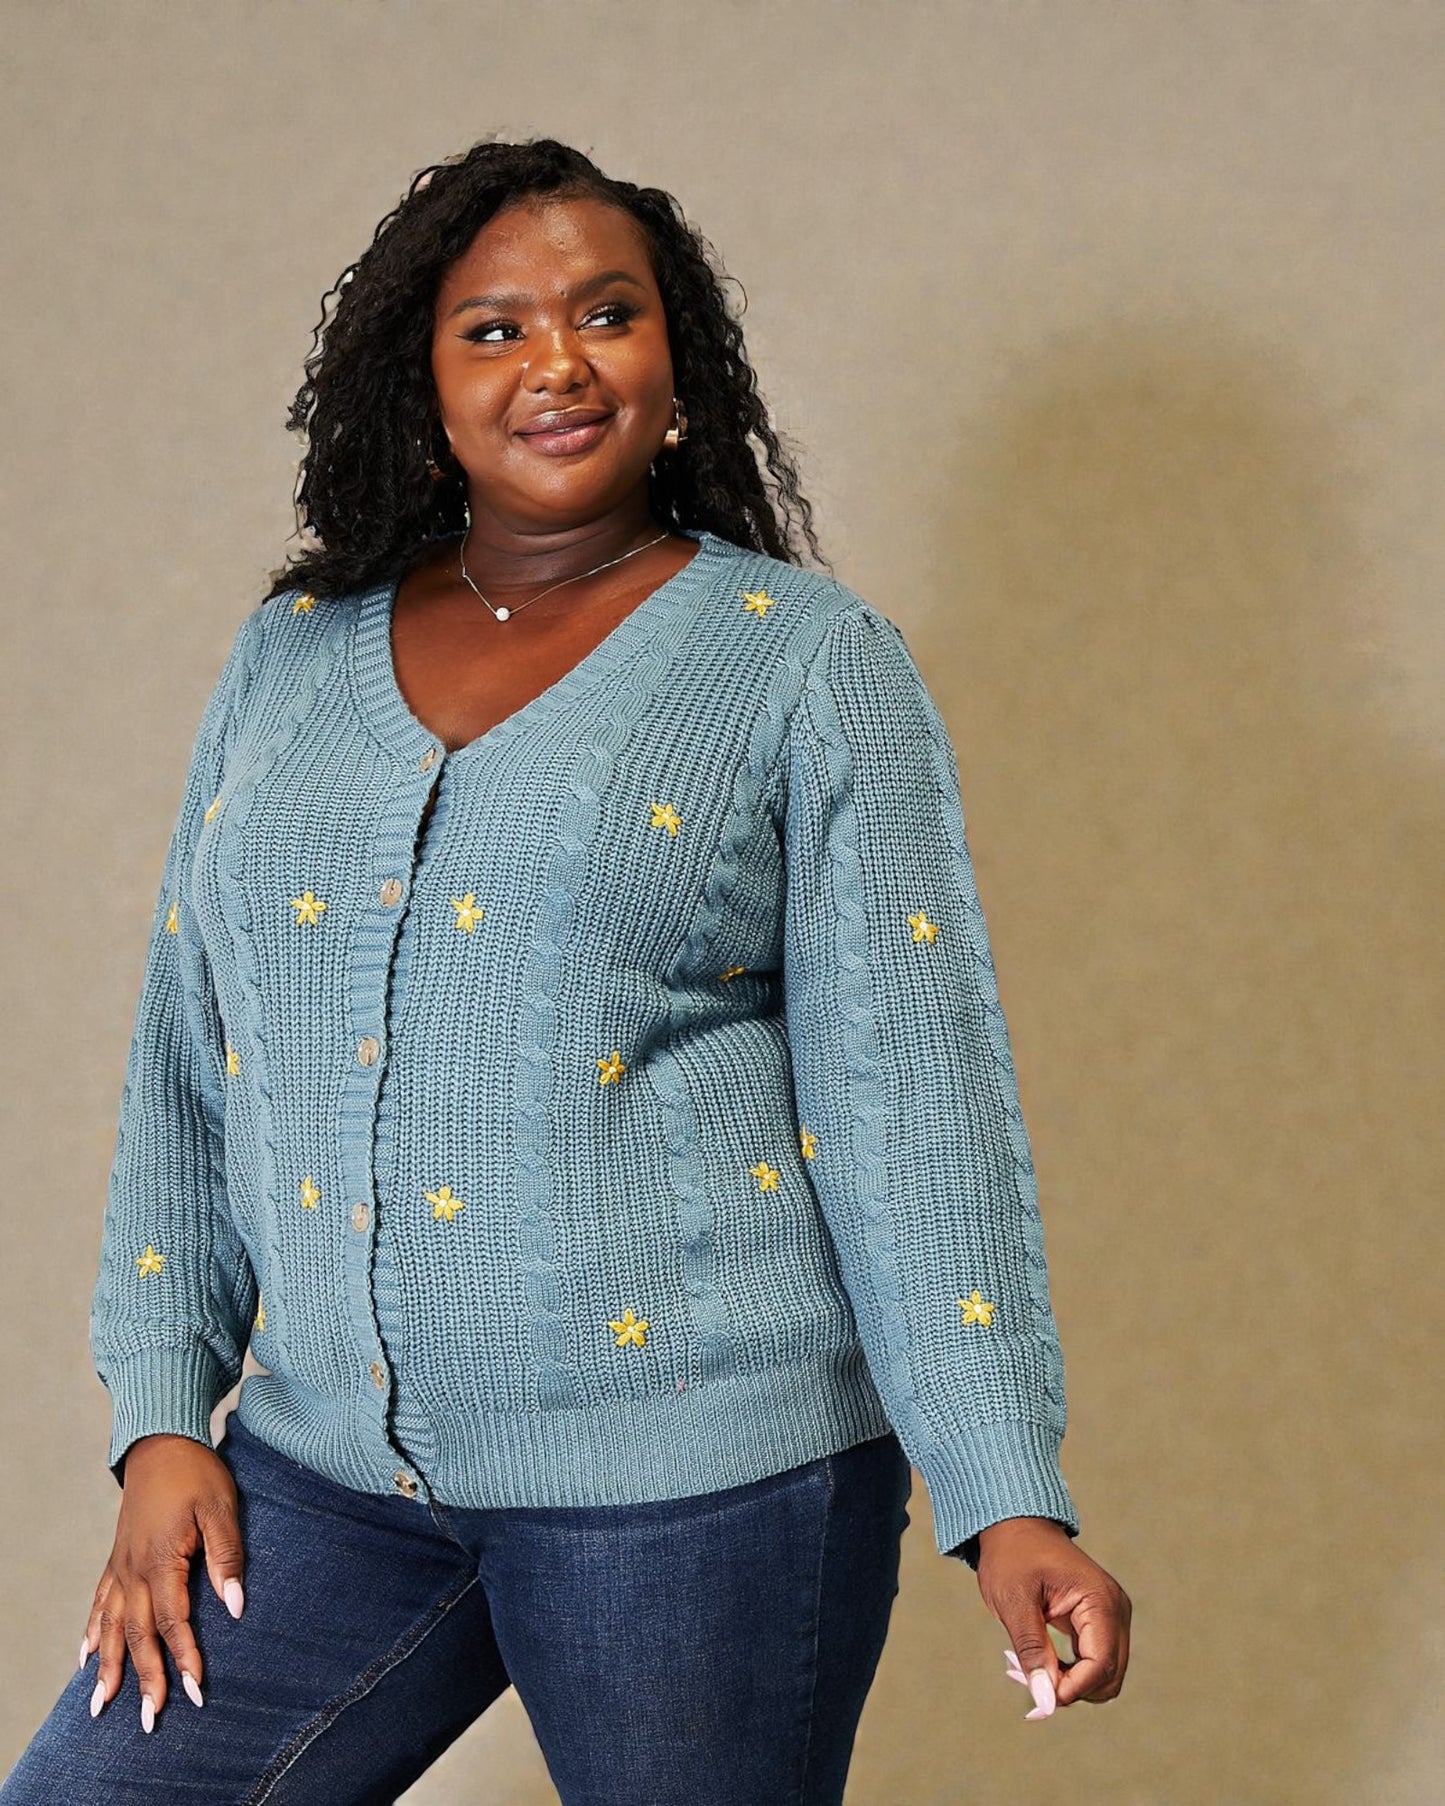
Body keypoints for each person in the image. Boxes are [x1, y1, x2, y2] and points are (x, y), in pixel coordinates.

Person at [1, 135, 1130, 1805]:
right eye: (495, 328)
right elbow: (191, 1054)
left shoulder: (803, 665)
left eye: (606, 314)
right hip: (327, 1471)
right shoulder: (289, 658)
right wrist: (166, 1414)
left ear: (676, 365)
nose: (557, 363)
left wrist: (1003, 1492)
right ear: (424, 381)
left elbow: (912, 1102)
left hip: (695, 1484)